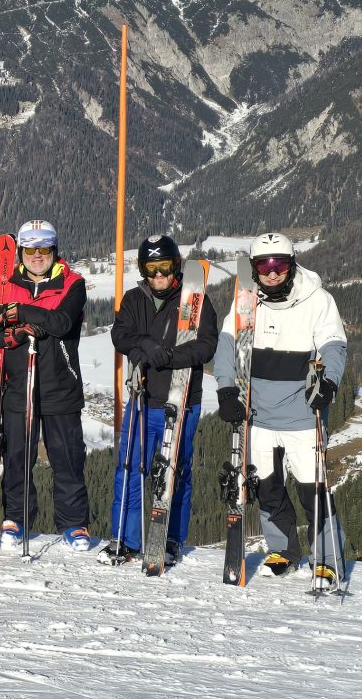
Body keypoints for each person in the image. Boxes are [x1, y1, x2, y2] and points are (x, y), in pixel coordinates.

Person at [211, 232, 348, 578]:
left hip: (302, 415)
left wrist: (328, 383)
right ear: (255, 269)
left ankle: (328, 558)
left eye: (280, 265)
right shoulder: (246, 303)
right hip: (258, 417)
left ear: (291, 264)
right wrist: (226, 390)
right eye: (264, 266)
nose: (272, 274)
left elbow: (334, 347)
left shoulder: (318, 301)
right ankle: (283, 548)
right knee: (267, 488)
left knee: (312, 491)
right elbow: (227, 346)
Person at [0, 220, 91, 551]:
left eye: (44, 249)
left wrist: (20, 311)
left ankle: (73, 524)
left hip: (59, 386)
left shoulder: (72, 284)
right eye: (31, 250)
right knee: (18, 456)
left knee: (66, 458)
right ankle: (16, 519)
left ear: (54, 250)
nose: (38, 256)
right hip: (17, 385)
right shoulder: (5, 283)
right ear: (21, 252)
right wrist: (6, 335)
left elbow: (62, 322)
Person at [107, 234, 219, 566]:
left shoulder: (196, 301)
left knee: (177, 471)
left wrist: (167, 356)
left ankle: (170, 539)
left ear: (176, 267)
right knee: (129, 468)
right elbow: (120, 335)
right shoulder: (133, 299)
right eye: (151, 269)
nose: (158, 276)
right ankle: (125, 540)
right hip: (142, 399)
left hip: (181, 401)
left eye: (165, 268)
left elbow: (206, 345)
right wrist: (144, 343)